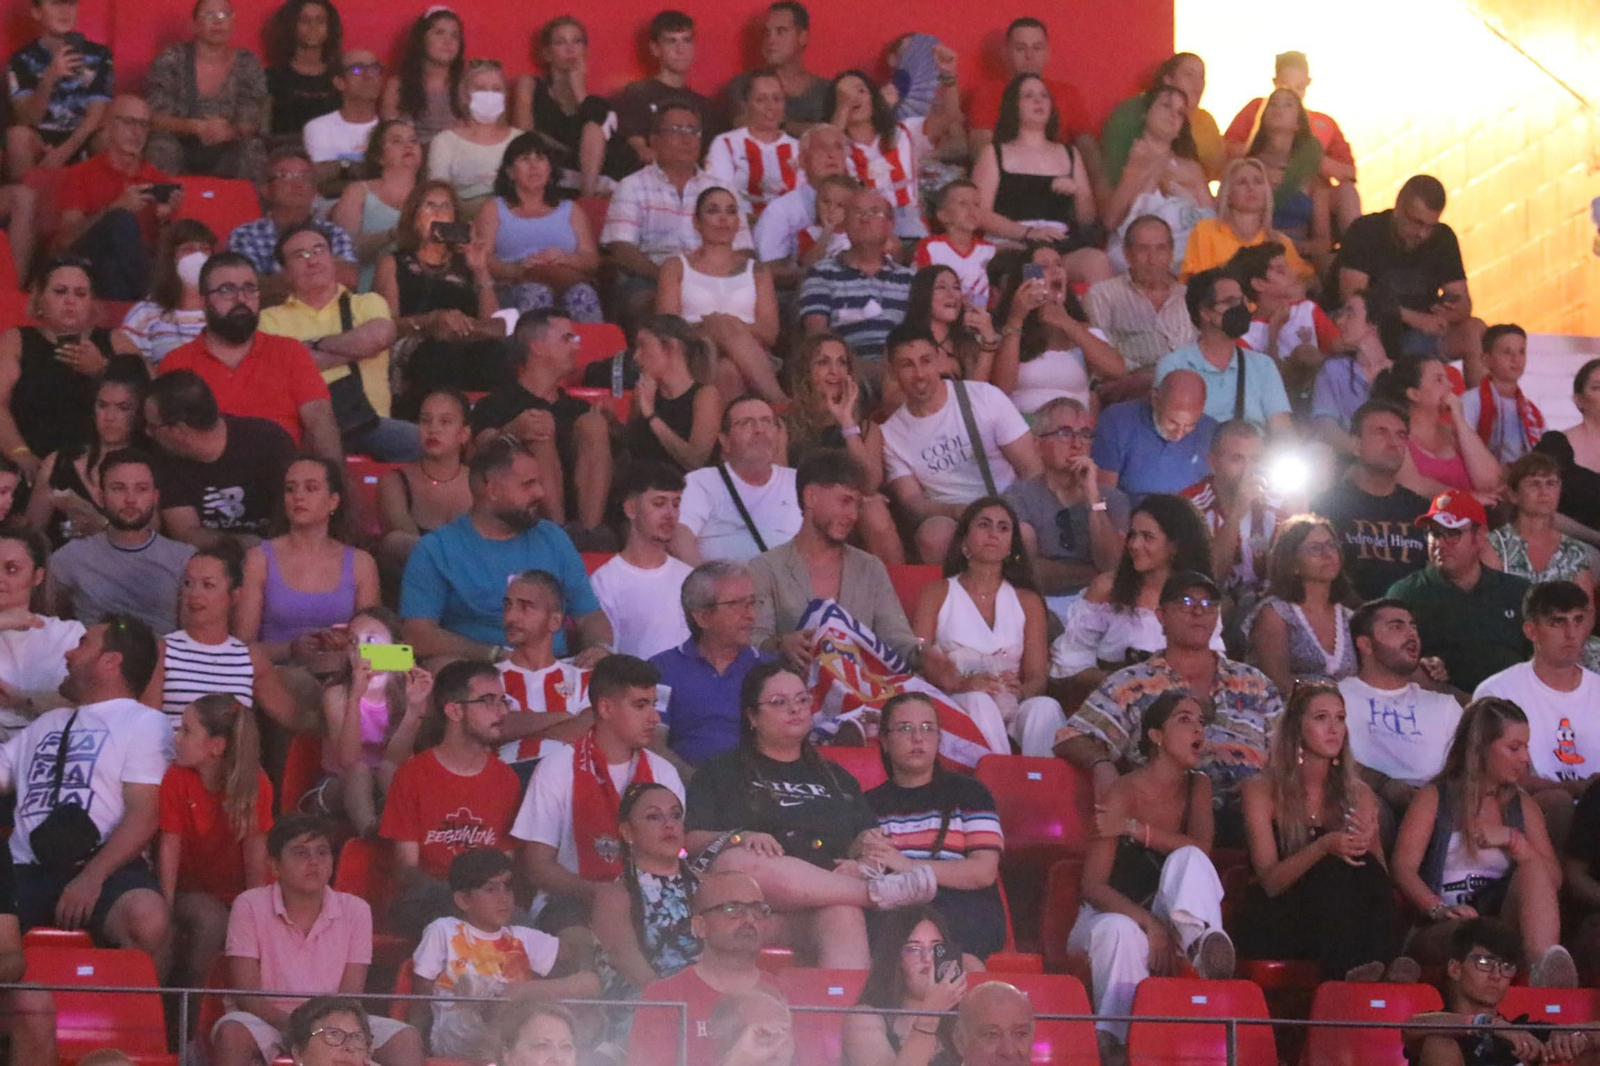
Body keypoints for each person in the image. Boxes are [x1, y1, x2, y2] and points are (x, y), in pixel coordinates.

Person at [685, 662, 937, 969]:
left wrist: (863, 865)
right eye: (780, 702)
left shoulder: (836, 777)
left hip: (820, 906)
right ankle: (874, 893)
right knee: (738, 861)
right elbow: (690, 841)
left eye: (802, 700)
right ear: (752, 716)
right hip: (748, 909)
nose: (795, 709)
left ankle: (848, 1015)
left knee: (844, 912)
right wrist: (742, 836)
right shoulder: (719, 771)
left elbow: (869, 839)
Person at [1059, 571, 1282, 843]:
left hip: (1254, 818)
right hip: (1170, 820)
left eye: (1209, 604)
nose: (1199, 611)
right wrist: (1101, 763)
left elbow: (1289, 750)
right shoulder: (1131, 683)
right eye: (1186, 602)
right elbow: (1071, 737)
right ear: (1161, 616)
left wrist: (1264, 785)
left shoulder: (1256, 684)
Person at [1069, 691, 1231, 1054]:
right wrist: (1148, 924)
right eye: (1184, 719)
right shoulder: (1121, 790)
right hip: (1107, 916)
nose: (1198, 730)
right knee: (1119, 930)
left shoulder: (1199, 785)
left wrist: (1133, 829)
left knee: (1189, 858)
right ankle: (1118, 1044)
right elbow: (1092, 886)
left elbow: (1202, 850)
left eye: (1201, 722)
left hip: (1170, 920)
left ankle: (1204, 944)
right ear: (1156, 735)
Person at [0, 616, 170, 956]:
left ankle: (131, 1011)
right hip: (24, 870)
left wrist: (91, 878)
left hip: (104, 868)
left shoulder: (145, 723)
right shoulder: (45, 723)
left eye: (82, 644)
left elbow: (144, 814)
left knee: (146, 918)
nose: (68, 654)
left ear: (111, 661)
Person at [211, 814, 425, 1066]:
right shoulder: (249, 904)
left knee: (405, 1038)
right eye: (301, 853)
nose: (314, 862)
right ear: (275, 866)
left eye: (322, 852)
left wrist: (325, 1030)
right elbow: (246, 993)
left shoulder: (356, 910)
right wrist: (298, 1028)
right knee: (233, 1033)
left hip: (334, 1020)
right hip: (266, 1019)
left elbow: (350, 995)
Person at [1391, 698, 1576, 986]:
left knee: (1533, 868)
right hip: (1445, 925)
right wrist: (1437, 908)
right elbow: (1403, 868)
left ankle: (1544, 972)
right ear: (1480, 749)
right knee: (1469, 936)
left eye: (1526, 747)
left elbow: (1552, 880)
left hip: (1502, 924)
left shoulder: (1522, 806)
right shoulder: (1434, 797)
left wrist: (1515, 842)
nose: (1525, 758)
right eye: (1514, 748)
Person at [1237, 680, 1413, 981]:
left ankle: (1372, 971)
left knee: (1363, 868)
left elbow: (1377, 878)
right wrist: (1323, 847)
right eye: (1321, 718)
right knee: (1332, 870)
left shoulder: (1358, 793)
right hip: (1281, 916)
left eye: (1340, 718)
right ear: (1296, 728)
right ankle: (1367, 971)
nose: (1334, 728)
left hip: (1339, 922)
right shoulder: (1261, 790)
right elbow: (1269, 882)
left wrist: (1368, 839)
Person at [399, 437, 612, 664]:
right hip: (475, 673)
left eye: (539, 482)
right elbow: (417, 634)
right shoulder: (436, 549)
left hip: (554, 669)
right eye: (528, 484)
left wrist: (599, 648)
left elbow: (590, 616)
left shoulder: (554, 538)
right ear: (492, 489)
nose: (541, 492)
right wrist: (496, 655)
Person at [514, 654, 686, 932]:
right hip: (571, 902)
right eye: (640, 706)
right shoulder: (556, 768)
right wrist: (597, 892)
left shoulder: (664, 773)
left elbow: (677, 851)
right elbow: (536, 866)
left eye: (653, 705)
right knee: (580, 940)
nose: (654, 718)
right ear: (605, 708)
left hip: (652, 898)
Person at [377, 659, 519, 939]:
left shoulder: (506, 780)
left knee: (528, 931)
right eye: (488, 701)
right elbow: (406, 870)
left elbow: (504, 865)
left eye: (504, 701)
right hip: (424, 899)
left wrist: (482, 900)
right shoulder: (412, 775)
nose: (501, 711)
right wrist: (460, 898)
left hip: (488, 903)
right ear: (454, 710)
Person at [410, 848, 598, 1059]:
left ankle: (498, 993)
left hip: (517, 1024)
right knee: (500, 1004)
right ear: (463, 900)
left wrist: (580, 979)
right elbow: (421, 992)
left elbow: (576, 961)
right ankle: (493, 996)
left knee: (580, 987)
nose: (504, 898)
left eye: (508, 888)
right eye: (491, 889)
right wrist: (416, 1041)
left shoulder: (523, 938)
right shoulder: (444, 929)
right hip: (461, 1028)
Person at [913, 497, 1061, 757]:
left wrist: (1021, 690)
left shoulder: (1028, 600)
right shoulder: (936, 592)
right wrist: (959, 682)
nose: (994, 533)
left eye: (1004, 528)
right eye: (984, 525)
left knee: (1044, 707)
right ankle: (999, 781)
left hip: (1009, 699)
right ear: (964, 540)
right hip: (956, 697)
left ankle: (1045, 788)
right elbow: (918, 653)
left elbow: (1037, 675)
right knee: (980, 701)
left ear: (1011, 544)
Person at [881, 327, 1041, 564]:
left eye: (926, 361)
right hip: (950, 517)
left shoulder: (984, 397)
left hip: (1004, 503)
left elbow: (1031, 468)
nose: (919, 373)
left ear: (940, 360)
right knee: (932, 535)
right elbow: (913, 502)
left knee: (1024, 533)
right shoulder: (891, 433)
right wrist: (957, 511)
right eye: (907, 365)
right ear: (893, 371)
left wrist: (1011, 511)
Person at [158, 254, 341, 460]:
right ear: (203, 300)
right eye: (226, 290)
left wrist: (335, 483)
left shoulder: (289, 352)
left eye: (249, 288)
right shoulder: (177, 363)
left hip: (280, 479)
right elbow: (173, 442)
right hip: (208, 481)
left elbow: (319, 421)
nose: (241, 299)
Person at [865, 693, 1006, 959]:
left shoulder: (970, 792)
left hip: (966, 912)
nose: (918, 738)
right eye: (905, 728)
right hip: (896, 916)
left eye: (928, 729)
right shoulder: (869, 805)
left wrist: (907, 866)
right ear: (884, 740)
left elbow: (983, 872)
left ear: (939, 738)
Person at [258, 223, 415, 462]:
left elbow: (378, 338)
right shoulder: (268, 319)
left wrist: (314, 345)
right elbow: (284, 369)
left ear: (332, 259)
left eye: (319, 250)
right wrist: (356, 350)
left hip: (370, 422)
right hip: (305, 427)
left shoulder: (366, 303)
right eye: (300, 256)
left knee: (425, 443)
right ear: (286, 272)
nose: (312, 261)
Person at [749, 449, 918, 665]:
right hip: (793, 693)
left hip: (865, 693)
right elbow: (752, 641)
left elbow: (897, 640)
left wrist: (923, 657)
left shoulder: (870, 567)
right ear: (810, 496)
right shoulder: (765, 568)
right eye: (845, 501)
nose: (853, 515)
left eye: (858, 504)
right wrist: (781, 645)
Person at [158, 694, 272, 996]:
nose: (177, 737)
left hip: (239, 897)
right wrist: (165, 911)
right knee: (210, 919)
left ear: (216, 747)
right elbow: (170, 848)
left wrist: (255, 921)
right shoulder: (176, 778)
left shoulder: (256, 785)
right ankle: (188, 1021)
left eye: (186, 730)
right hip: (190, 893)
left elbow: (256, 863)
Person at [1049, 497, 1218, 694]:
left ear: (1174, 546)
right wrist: (1122, 682)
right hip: (1113, 700)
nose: (1135, 545)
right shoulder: (1108, 589)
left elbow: (1211, 665)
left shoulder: (1198, 596)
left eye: (1147, 537)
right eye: (1133, 535)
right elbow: (1071, 662)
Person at [1473, 580, 1599, 844]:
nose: (1571, 633)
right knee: (1557, 802)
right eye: (1557, 622)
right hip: (1529, 813)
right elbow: (1488, 776)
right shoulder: (1498, 691)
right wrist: (1573, 788)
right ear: (1531, 630)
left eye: (1578, 620)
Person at [603, 104, 750, 326]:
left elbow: (744, 249)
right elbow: (623, 251)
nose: (687, 139)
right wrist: (672, 279)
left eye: (693, 131)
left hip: (715, 276)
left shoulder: (723, 188)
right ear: (654, 140)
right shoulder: (632, 186)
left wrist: (709, 277)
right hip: (651, 278)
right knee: (655, 303)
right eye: (676, 131)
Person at [468, 310, 611, 537]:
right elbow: (476, 456)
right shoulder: (495, 404)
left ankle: (590, 534)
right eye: (567, 339)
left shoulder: (581, 410)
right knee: (538, 428)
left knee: (594, 424)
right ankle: (557, 534)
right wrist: (512, 431)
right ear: (537, 346)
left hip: (583, 526)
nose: (576, 347)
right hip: (523, 519)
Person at [1337, 175, 1486, 383]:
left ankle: (1484, 409)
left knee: (1474, 330)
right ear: (1398, 207)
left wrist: (1449, 313)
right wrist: (1414, 318)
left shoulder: (1443, 238)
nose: (1423, 234)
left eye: (1430, 226)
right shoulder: (1366, 231)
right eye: (1417, 222)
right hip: (1374, 331)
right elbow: (1352, 297)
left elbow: (1463, 300)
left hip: (1420, 337)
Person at [374, 180, 506, 410]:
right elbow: (386, 326)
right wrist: (431, 321)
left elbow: (493, 323)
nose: (438, 212)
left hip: (466, 343)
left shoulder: (465, 264)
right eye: (430, 206)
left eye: (445, 207)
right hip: (418, 347)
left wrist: (480, 268)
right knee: (439, 353)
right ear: (414, 217)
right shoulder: (393, 263)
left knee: (494, 353)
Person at [624, 871, 778, 1066]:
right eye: (732, 909)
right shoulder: (665, 997)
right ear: (699, 926)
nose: (750, 920)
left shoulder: (786, 993)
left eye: (758, 910)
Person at [235, 455, 379, 664]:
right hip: (276, 676)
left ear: (333, 500)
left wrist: (346, 645)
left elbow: (376, 646)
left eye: (311, 488)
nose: (298, 497)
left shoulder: (361, 563)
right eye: (290, 489)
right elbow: (240, 648)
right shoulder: (259, 559)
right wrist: (291, 649)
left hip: (342, 676)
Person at [0, 257, 137, 476]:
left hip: (102, 468)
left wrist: (102, 370)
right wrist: (19, 453)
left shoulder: (115, 341)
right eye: (60, 291)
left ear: (92, 302)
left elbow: (149, 397)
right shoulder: (17, 340)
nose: (70, 301)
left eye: (80, 294)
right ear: (40, 299)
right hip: (29, 462)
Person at [1341, 598, 1464, 833]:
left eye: (1413, 626)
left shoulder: (1444, 706)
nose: (1411, 634)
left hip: (1437, 811)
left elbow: (1469, 767)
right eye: (1397, 627)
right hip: (1367, 805)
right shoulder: (1337, 696)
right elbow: (1320, 762)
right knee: (1367, 809)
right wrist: (1384, 785)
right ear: (1365, 644)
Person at [143, 545, 298, 732]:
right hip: (173, 757)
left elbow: (295, 719)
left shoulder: (250, 660)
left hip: (229, 759)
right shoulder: (162, 651)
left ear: (234, 596)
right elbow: (147, 727)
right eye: (188, 583)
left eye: (208, 585)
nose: (194, 594)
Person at [972, 75, 1109, 285]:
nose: (1039, 101)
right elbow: (979, 213)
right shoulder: (993, 153)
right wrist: (1028, 233)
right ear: (1014, 106)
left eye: (1044, 96)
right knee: (1033, 272)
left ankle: (1091, 319)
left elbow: (1087, 219)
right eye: (1028, 96)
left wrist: (1077, 192)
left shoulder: (1070, 153)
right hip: (1014, 245)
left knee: (1096, 262)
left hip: (1059, 245)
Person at [1388, 490, 1529, 693]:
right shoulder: (1406, 594)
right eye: (1434, 533)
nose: (1440, 543)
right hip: (1438, 709)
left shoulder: (1517, 592)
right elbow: (1390, 663)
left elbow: (1540, 658)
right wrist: (1419, 667)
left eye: (1452, 533)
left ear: (1479, 536)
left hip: (1514, 706)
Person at [1402, 918, 1594, 1066]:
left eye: (1506, 966)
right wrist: (1488, 1025)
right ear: (1455, 969)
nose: (1496, 975)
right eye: (1484, 963)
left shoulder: (1523, 1032)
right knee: (1438, 1043)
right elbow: (1411, 1026)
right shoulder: (1439, 1028)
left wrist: (1578, 1038)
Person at [781, 333, 902, 562]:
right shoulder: (785, 426)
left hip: (853, 514)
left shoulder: (866, 429)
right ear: (806, 371)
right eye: (823, 362)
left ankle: (893, 592)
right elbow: (779, 487)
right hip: (803, 511)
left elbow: (869, 483)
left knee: (874, 512)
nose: (834, 371)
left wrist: (847, 422)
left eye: (841, 362)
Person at [311, 607, 431, 835]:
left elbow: (396, 760)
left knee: (388, 769)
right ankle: (370, 832)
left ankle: (407, 830)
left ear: (395, 647)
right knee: (359, 770)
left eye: (371, 640)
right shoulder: (337, 694)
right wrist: (355, 697)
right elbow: (348, 759)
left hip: (386, 782)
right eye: (353, 641)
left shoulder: (406, 691)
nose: (360, 649)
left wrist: (414, 709)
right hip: (341, 784)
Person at [47, 448, 194, 632]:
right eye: (118, 488)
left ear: (155, 497)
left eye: (141, 489)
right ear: (101, 497)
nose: (130, 499)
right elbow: (51, 628)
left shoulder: (185, 560)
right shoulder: (69, 558)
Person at [658, 187, 784, 403]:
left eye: (731, 211)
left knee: (728, 370)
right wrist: (712, 327)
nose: (723, 218)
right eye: (713, 211)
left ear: (738, 223)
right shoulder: (675, 267)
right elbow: (666, 328)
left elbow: (770, 333)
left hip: (751, 356)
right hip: (693, 350)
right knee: (721, 325)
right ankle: (780, 402)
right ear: (697, 222)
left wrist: (729, 325)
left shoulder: (758, 271)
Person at [143, 370, 296, 547]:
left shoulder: (269, 441)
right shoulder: (164, 459)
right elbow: (186, 533)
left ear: (179, 431)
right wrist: (251, 545)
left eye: (153, 426)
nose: (147, 432)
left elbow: (297, 510)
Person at [1004, 398, 1129, 605]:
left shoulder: (1113, 498)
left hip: (1102, 605)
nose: (1077, 444)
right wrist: (1096, 574)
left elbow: (1112, 563)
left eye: (1085, 434)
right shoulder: (1018, 496)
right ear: (1038, 445)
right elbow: (1027, 571)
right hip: (1041, 603)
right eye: (1064, 433)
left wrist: (1092, 497)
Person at [53, 95, 177, 302]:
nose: (136, 132)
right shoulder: (81, 174)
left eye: (143, 125)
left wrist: (164, 220)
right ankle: (151, 301)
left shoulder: (158, 181)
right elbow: (66, 241)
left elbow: (166, 257)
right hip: (88, 264)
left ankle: (135, 310)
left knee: (114, 270)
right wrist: (113, 208)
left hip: (125, 274)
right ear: (108, 125)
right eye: (128, 122)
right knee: (120, 219)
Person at [649, 561, 771, 767]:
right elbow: (653, 746)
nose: (751, 615)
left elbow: (789, 746)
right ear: (702, 617)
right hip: (684, 789)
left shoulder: (771, 672)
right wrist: (703, 787)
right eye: (735, 604)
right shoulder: (661, 669)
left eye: (752, 603)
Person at [591, 780, 701, 1005]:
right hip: (643, 1013)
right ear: (627, 831)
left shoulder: (708, 886)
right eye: (654, 816)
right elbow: (625, 958)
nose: (669, 824)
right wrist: (677, 1006)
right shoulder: (614, 895)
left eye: (675, 815)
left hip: (706, 1009)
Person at [1311, 400, 1432, 600]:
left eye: (1400, 435)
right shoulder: (1325, 507)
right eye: (1381, 432)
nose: (1393, 443)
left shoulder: (1422, 511)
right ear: (1357, 445)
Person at [1222, 51, 1359, 229]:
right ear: (1275, 83)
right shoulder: (1260, 109)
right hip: (1261, 187)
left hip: (1310, 197)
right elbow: (1226, 149)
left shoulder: (1325, 123)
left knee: (1347, 192)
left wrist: (1309, 161)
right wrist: (1266, 159)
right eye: (1285, 87)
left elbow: (1350, 172)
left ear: (1308, 83)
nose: (1293, 94)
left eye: (1299, 87)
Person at [477, 132, 602, 322]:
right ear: (510, 171)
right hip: (514, 284)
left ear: (550, 169)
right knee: (537, 293)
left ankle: (592, 351)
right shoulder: (493, 209)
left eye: (541, 159)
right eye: (525, 159)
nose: (534, 166)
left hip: (564, 281)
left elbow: (591, 259)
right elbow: (483, 258)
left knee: (583, 295)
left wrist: (566, 258)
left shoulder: (571, 209)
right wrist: (516, 269)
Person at [25, 358, 147, 548]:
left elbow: (151, 542)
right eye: (102, 405)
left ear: (139, 412)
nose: (110, 417)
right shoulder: (59, 462)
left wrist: (101, 525)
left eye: (123, 408)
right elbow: (32, 537)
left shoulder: (153, 466)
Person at [490, 570, 598, 784]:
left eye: (525, 606)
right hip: (507, 782)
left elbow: (592, 728)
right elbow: (494, 727)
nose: (511, 617)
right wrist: (565, 716)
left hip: (570, 782)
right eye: (508, 605)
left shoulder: (584, 679)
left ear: (555, 621)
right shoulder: (489, 679)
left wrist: (520, 729)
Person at [1155, 267, 1291, 433]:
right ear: (1205, 312)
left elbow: (1283, 431)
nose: (1241, 308)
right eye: (1230, 302)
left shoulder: (1263, 365)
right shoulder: (1173, 365)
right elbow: (1169, 431)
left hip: (1253, 456)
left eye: (1242, 302)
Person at [143, 0, 268, 180]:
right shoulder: (171, 59)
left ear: (233, 21)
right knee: (161, 147)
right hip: (179, 142)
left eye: (223, 16)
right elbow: (154, 117)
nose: (217, 22)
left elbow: (254, 118)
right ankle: (162, 206)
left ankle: (245, 207)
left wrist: (230, 131)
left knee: (251, 150)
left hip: (228, 145)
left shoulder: (247, 63)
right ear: (195, 24)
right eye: (209, 16)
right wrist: (195, 127)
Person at [990, 248, 1124, 412]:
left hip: (1074, 429)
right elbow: (1001, 389)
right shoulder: (1006, 329)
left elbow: (1117, 371)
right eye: (1044, 266)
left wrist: (1066, 322)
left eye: (1059, 264)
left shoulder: (1081, 329)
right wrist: (1016, 319)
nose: (1055, 271)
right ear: (1024, 280)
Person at [673, 397, 799, 565]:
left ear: (778, 434)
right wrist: (706, 584)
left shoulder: (800, 482)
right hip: (721, 586)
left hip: (787, 588)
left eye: (767, 421)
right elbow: (679, 535)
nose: (759, 429)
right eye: (746, 423)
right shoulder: (701, 482)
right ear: (724, 441)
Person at [797, 187, 916, 365]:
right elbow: (817, 339)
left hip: (901, 371)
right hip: (846, 371)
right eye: (857, 212)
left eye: (875, 212)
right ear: (845, 223)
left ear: (891, 225)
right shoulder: (822, 274)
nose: (865, 218)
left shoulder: (910, 279)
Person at [1102, 88, 1213, 274]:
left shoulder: (1192, 169)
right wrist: (1135, 172)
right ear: (1146, 113)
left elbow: (1209, 219)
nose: (1173, 115)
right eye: (1166, 105)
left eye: (1180, 113)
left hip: (1187, 257)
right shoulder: (1125, 158)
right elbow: (1110, 221)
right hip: (1133, 255)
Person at [841, 905, 970, 1066]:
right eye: (914, 949)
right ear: (896, 959)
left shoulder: (963, 1019)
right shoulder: (863, 1019)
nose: (927, 959)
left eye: (937, 948)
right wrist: (929, 1016)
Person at [1245, 515, 1356, 698]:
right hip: (1289, 714)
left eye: (1331, 545)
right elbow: (1276, 679)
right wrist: (1325, 701)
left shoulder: (1349, 616)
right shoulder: (1275, 613)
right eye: (1315, 549)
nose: (1327, 554)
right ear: (1293, 563)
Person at [227, 147, 358, 302]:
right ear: (266, 189)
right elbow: (247, 288)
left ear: (315, 190)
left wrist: (279, 280)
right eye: (285, 176)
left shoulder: (334, 232)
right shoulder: (245, 235)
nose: (298, 184)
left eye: (305, 177)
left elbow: (349, 279)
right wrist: (318, 276)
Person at [1180, 420, 1288, 608]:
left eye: (1255, 459)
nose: (1248, 470)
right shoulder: (1190, 505)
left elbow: (1292, 576)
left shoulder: (1280, 500)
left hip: (1269, 604)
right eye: (1237, 459)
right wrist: (1237, 512)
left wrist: (1298, 513)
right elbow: (1207, 581)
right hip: (1213, 606)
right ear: (1213, 463)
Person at [592, 463, 693, 661]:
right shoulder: (605, 580)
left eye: (676, 504)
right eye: (659, 503)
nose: (670, 514)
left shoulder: (689, 577)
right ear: (631, 509)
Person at [1487, 455, 1597, 635]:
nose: (1543, 491)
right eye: (1533, 484)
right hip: (1512, 641)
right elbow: (1490, 608)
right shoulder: (1494, 544)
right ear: (1514, 495)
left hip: (1568, 643)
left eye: (1551, 483)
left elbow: (1587, 612)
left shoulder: (1574, 549)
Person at [6, 0, 111, 178]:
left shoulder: (99, 55)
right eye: (56, 3)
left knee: (111, 134)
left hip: (82, 140)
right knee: (17, 136)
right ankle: (26, 200)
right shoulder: (21, 59)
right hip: (40, 142)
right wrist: (50, 76)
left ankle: (112, 202)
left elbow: (95, 115)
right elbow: (27, 119)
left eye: (70, 3)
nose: (65, 11)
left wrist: (63, 152)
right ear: (36, 12)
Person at [509, 17, 613, 197]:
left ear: (585, 51)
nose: (570, 49)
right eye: (560, 42)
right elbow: (524, 136)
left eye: (577, 41)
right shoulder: (531, 85)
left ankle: (587, 203)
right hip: (546, 178)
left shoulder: (598, 104)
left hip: (588, 184)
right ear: (547, 54)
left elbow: (605, 149)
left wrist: (579, 90)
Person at [375, 389, 471, 578]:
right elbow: (405, 542)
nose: (433, 429)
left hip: (472, 585)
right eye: (426, 420)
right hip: (416, 584)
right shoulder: (394, 482)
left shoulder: (482, 483)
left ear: (464, 434)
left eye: (445, 421)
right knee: (395, 542)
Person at [1376, 353, 1502, 498]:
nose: (1451, 385)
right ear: (1414, 394)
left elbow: (1491, 482)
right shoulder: (1398, 437)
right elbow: (1413, 486)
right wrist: (1468, 498)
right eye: (1439, 380)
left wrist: (1459, 421)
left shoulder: (1456, 434)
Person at [967, 18, 1091, 161]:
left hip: (1059, 174)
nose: (1029, 56)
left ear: (1047, 53)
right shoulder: (988, 93)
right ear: (1006, 53)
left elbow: (1088, 149)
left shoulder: (1067, 93)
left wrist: (1100, 182)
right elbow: (980, 152)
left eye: (1037, 48)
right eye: (1020, 48)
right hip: (1007, 175)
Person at [1230, 240, 1337, 403]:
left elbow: (1336, 352)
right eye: (1281, 271)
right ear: (1259, 284)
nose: (1293, 274)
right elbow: (1263, 385)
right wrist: (1273, 333)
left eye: (1288, 267)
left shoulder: (1308, 309)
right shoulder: (1245, 336)